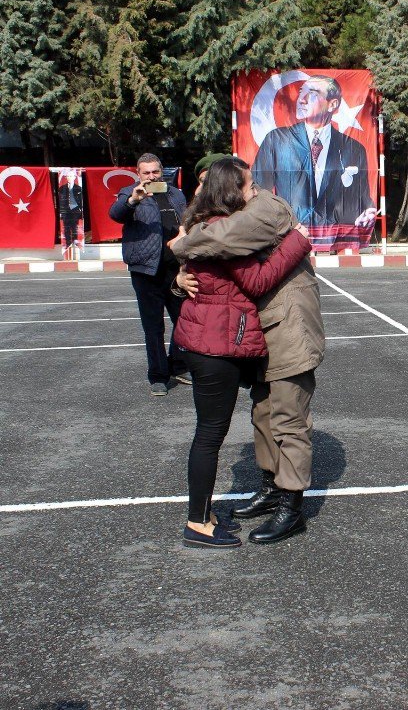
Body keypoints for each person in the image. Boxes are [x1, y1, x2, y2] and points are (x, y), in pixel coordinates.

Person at [169, 158, 313, 549]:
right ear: (230, 190)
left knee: (283, 416)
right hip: (222, 342)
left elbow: (206, 256)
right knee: (223, 429)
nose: (255, 191)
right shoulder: (223, 228)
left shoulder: (238, 216)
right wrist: (298, 239)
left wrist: (182, 261)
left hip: (259, 333)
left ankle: (288, 502)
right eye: (249, 185)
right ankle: (204, 519)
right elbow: (255, 278)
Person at [109, 153, 190, 396]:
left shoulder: (176, 194)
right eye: (146, 173)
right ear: (138, 174)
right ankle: (158, 376)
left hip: (175, 269)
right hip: (145, 270)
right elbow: (116, 214)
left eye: (155, 171)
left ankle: (178, 365)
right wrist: (133, 200)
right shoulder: (129, 192)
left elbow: (187, 221)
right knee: (153, 327)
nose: (152, 176)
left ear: (162, 171)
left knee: (184, 319)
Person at [252, 74, 373, 230]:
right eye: (301, 92)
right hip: (289, 234)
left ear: (332, 104)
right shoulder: (277, 140)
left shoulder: (353, 149)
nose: (302, 100)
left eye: (312, 93)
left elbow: (362, 198)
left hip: (334, 236)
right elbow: (259, 191)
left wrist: (367, 211)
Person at [57, 170, 84, 259]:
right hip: (65, 210)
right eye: (67, 176)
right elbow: (60, 200)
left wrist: (80, 209)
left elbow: (80, 200)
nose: (69, 178)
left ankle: (75, 239)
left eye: (71, 176)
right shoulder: (62, 188)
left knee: (74, 225)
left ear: (74, 177)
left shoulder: (78, 188)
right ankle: (68, 241)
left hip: (75, 209)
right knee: (66, 226)